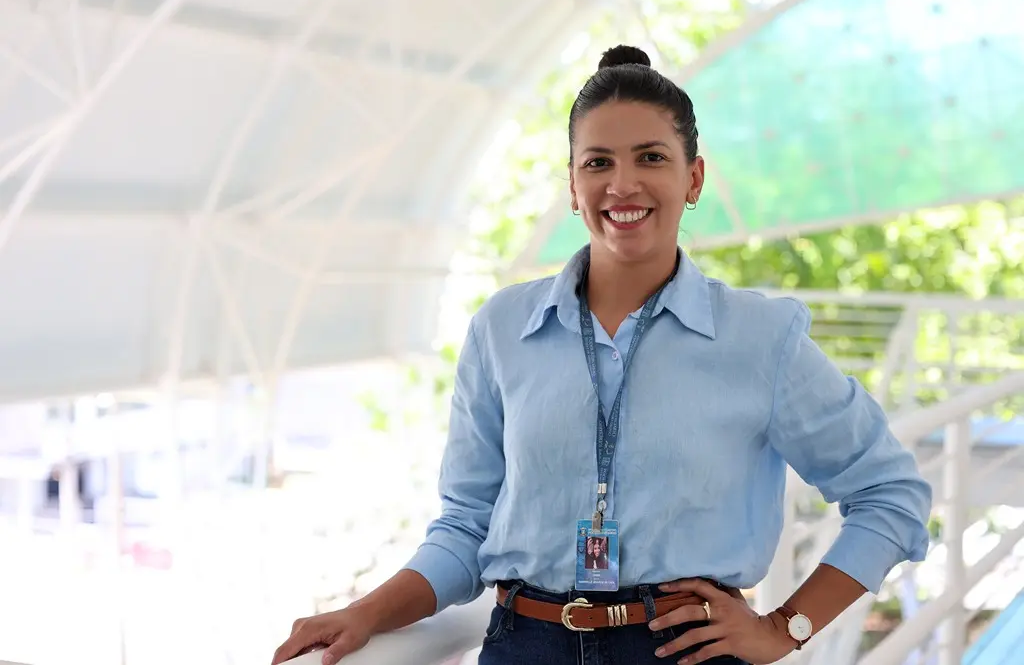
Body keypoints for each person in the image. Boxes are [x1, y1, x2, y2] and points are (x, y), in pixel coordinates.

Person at [272, 45, 932, 665]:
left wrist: (782, 629)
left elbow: (890, 492)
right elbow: (466, 527)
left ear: (693, 177)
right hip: (523, 644)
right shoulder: (504, 328)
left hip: (685, 650)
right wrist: (365, 612)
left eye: (650, 158)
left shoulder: (761, 336)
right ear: (571, 184)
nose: (623, 184)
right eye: (598, 162)